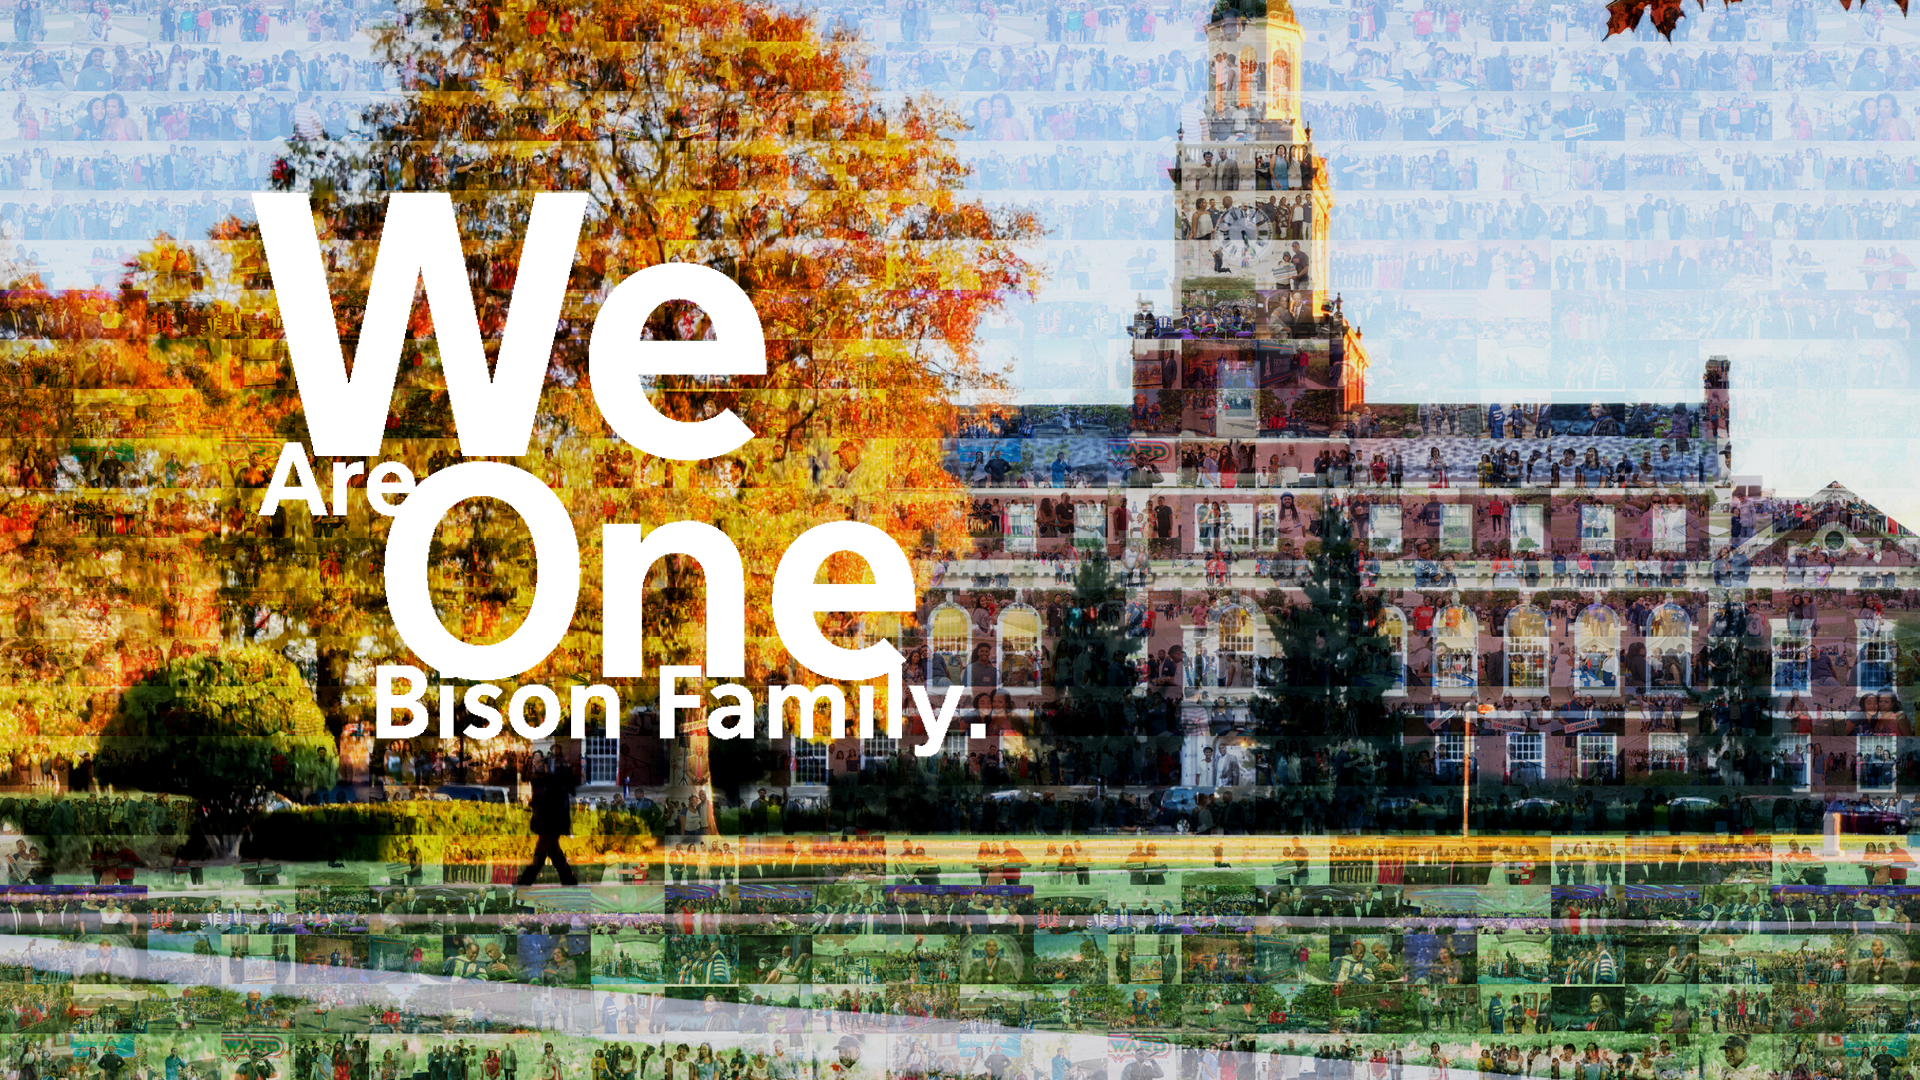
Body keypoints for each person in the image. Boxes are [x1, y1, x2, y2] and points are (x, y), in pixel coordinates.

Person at [517, 755, 579, 886]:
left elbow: (553, 807)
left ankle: (525, 882)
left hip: (549, 825)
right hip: (550, 825)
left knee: (541, 855)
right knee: (554, 854)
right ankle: (569, 881)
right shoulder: (552, 785)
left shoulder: (551, 786)